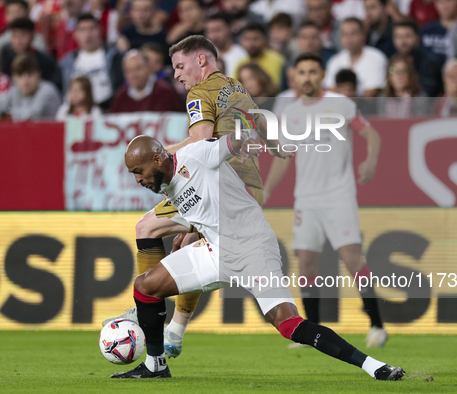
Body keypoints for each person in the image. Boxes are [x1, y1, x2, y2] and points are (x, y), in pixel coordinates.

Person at [110, 132, 405, 380]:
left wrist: (266, 136)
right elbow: (212, 205)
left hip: (253, 250)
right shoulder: (168, 184)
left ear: (157, 159)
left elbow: (237, 139)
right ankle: (155, 365)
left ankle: (374, 366)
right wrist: (192, 231)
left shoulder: (198, 154)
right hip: (215, 252)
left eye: (138, 171)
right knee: (145, 286)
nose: (137, 179)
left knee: (288, 324)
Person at [103, 35, 290, 358]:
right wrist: (278, 147)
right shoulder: (234, 87)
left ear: (200, 61)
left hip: (215, 185)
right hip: (248, 189)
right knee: (186, 245)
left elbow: (200, 138)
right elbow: (258, 121)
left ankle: (147, 305)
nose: (176, 74)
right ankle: (174, 332)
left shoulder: (198, 93)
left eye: (179, 65)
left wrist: (158, 154)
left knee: (146, 228)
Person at [263, 52, 387, 348]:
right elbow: (284, 156)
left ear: (322, 76)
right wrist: (266, 190)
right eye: (302, 72)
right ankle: (311, 334)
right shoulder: (291, 113)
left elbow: (372, 136)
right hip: (305, 198)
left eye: (313, 72)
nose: (307, 77)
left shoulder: (341, 104)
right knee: (306, 265)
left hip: (339, 195)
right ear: (295, 76)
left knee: (352, 260)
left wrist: (370, 161)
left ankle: (377, 325)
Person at [0, 54, 61, 127]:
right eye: (20, 76)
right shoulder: (15, 91)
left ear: (38, 75)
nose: (25, 80)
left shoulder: (48, 90)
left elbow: (31, 115)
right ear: (14, 78)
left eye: (30, 74)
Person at [59, 14, 124, 111]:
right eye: (82, 30)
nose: (87, 34)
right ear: (75, 34)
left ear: (100, 30)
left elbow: (120, 88)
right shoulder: (67, 62)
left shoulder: (114, 57)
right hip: (76, 113)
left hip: (107, 110)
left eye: (92, 29)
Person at [323, 17, 388, 97]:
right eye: (345, 34)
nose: (349, 39)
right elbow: (330, 91)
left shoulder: (377, 58)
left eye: (353, 33)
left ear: (363, 35)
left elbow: (371, 94)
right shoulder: (334, 60)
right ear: (340, 37)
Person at [110, 50, 183, 113]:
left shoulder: (165, 92)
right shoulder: (120, 97)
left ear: (148, 67)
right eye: (128, 71)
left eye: (138, 68)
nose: (134, 75)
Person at [1, 17, 61, 89]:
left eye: (23, 35)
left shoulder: (46, 61)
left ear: (33, 36)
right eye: (15, 36)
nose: (18, 41)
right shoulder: (7, 57)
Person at [393, 19, 442, 96]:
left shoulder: (429, 65)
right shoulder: (391, 61)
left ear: (417, 38)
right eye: (398, 37)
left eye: (407, 36)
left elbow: (429, 94)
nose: (403, 41)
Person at [235, 22, 285, 88]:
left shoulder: (277, 60)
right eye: (247, 39)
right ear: (241, 41)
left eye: (255, 39)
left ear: (265, 40)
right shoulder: (241, 64)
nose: (251, 44)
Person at [204, 13, 248, 82]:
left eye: (217, 30)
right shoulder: (205, 55)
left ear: (229, 29)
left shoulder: (241, 55)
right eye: (210, 31)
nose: (213, 36)